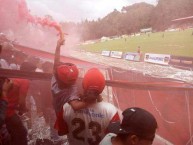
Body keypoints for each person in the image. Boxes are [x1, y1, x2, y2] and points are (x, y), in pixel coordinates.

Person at [56, 68, 120, 145]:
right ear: (102, 88)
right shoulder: (111, 111)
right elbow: (113, 139)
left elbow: (61, 132)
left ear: (83, 85)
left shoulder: (66, 107)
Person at [51, 38, 89, 135]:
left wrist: (58, 46)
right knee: (67, 128)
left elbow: (56, 62)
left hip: (56, 107)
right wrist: (93, 100)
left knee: (60, 125)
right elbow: (76, 106)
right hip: (65, 115)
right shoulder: (71, 90)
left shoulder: (55, 79)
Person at [5, 61, 36, 145]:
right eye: (33, 71)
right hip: (7, 112)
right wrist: (23, 109)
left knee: (12, 134)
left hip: (5, 109)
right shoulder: (24, 81)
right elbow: (21, 101)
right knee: (21, 133)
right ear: (30, 71)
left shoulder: (14, 77)